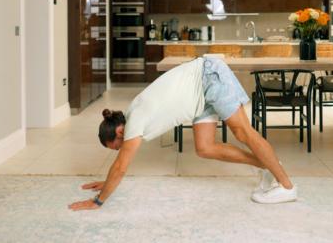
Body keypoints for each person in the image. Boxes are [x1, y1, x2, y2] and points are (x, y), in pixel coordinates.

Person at [68, 56, 297, 211]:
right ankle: (267, 164)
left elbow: (120, 167)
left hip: (208, 76)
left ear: (119, 131)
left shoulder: (134, 121)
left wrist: (98, 202)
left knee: (242, 132)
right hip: (200, 97)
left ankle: (287, 187)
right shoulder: (132, 115)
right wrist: (108, 181)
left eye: (117, 146)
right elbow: (118, 168)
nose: (121, 150)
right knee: (205, 148)